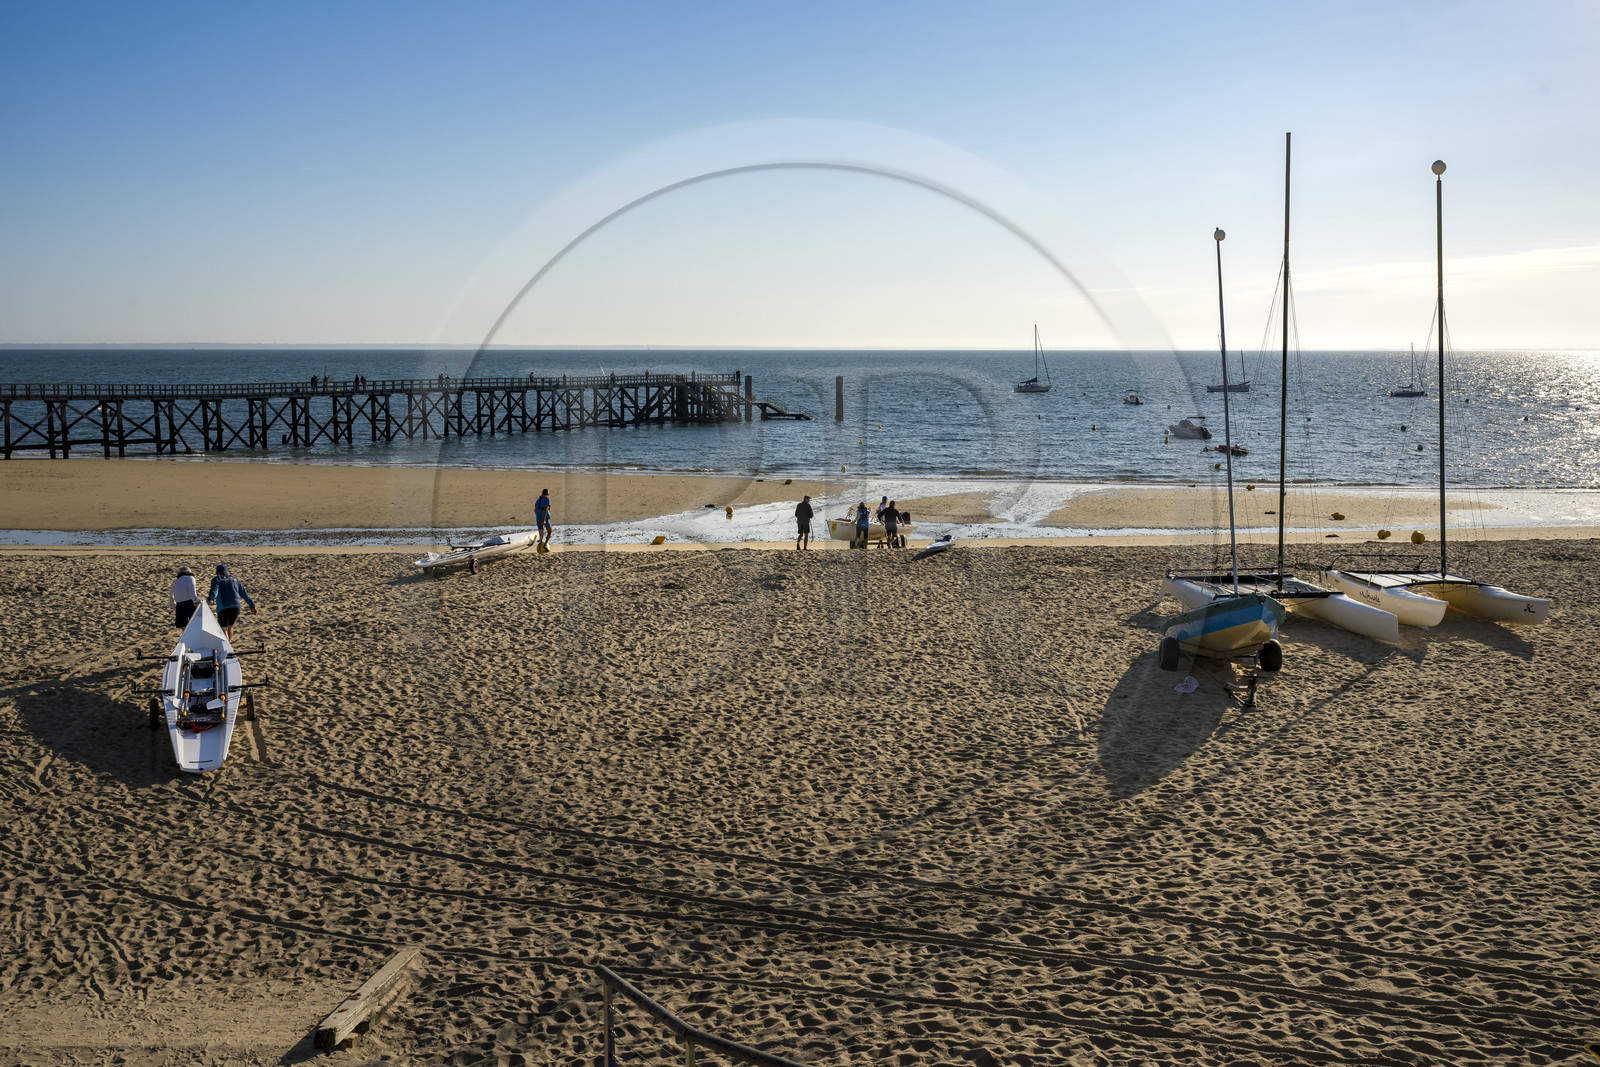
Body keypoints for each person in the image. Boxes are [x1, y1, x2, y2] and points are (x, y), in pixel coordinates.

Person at [206, 564, 257, 641]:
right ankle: (229, 645)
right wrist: (252, 606)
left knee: (223, 629)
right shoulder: (235, 579)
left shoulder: (217, 579)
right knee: (230, 627)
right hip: (236, 606)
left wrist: (211, 599)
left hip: (224, 606)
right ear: (225, 571)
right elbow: (244, 593)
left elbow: (214, 590)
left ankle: (227, 646)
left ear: (217, 572)